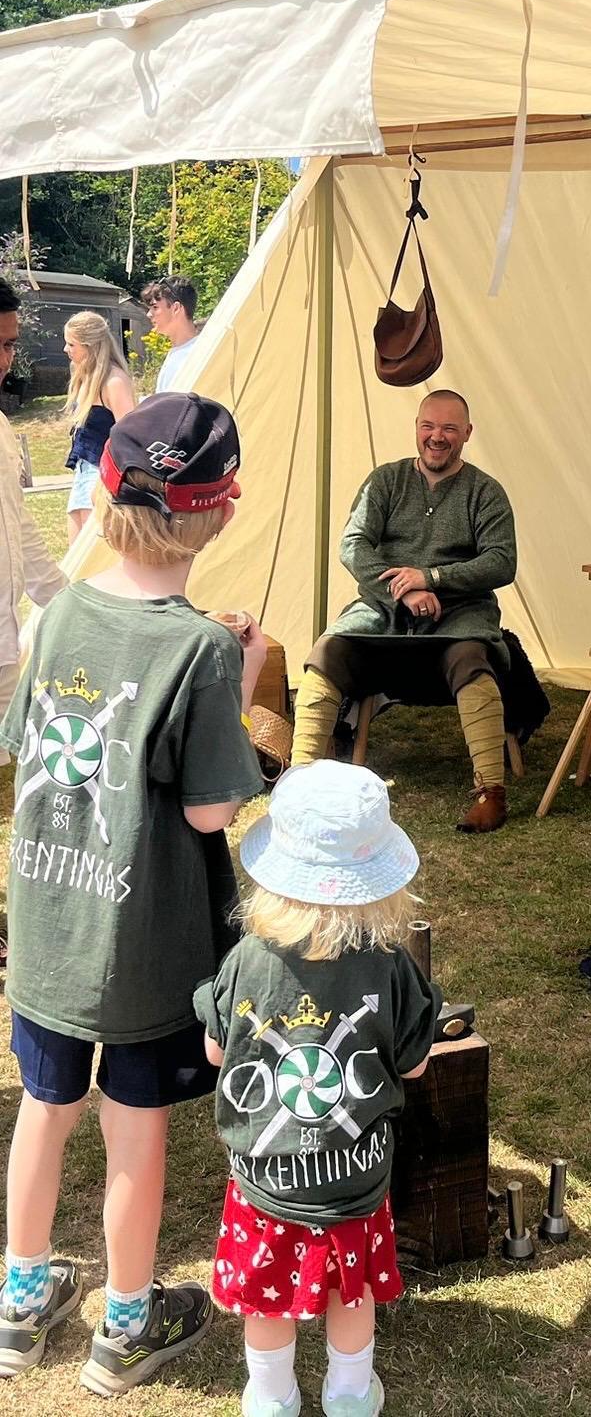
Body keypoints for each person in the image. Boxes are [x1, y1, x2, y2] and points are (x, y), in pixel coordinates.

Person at [0, 391, 266, 1391]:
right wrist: (235, 689)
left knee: (44, 1104)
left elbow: (30, 742)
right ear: (222, 508)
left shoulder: (57, 608)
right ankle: (124, 1319)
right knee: (134, 1128)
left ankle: (20, 1304)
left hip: (49, 928)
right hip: (146, 941)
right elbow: (209, 812)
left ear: (105, 486)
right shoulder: (200, 651)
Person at [195, 759, 439, 1417]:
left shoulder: (245, 959)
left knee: (265, 1298)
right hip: (353, 1179)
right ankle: (350, 1392)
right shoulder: (390, 965)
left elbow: (217, 1049)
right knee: (349, 1289)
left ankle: (272, 1395)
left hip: (266, 1179)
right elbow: (414, 1065)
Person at [292, 389, 518, 833]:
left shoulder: (485, 492)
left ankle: (492, 793)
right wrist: (403, 590)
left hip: (459, 612)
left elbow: (501, 561)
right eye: (428, 426)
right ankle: (298, 782)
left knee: (472, 660)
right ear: (416, 428)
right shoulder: (386, 481)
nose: (437, 437)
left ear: (467, 434)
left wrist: (432, 579)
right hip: (383, 607)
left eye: (450, 428)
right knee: (328, 652)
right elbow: (352, 546)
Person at [0, 277, 66, 770]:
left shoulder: (0, 427)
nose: (5, 361)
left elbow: (17, 523)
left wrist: (65, 602)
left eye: (8, 344)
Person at [62, 309, 137, 541]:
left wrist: (106, 485)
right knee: (74, 559)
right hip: (84, 471)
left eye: (71, 344)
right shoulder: (86, 378)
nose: (66, 350)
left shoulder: (114, 381)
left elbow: (130, 438)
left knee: (89, 556)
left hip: (101, 474)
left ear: (90, 346)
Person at [143, 276, 200, 391]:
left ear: (176, 308)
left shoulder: (196, 355)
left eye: (155, 307)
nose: (149, 314)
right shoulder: (179, 351)